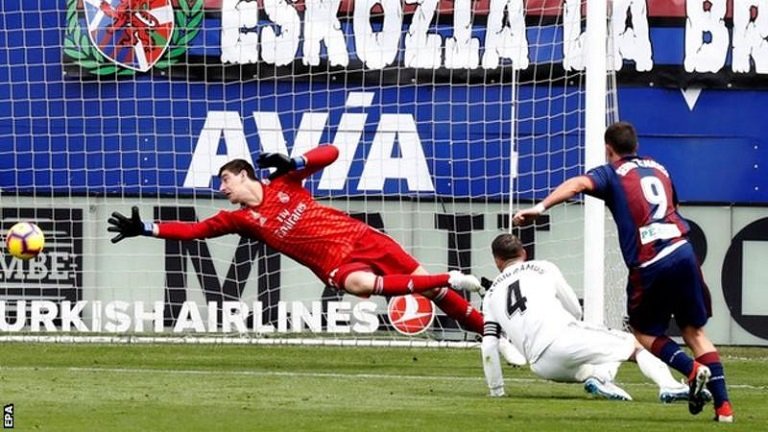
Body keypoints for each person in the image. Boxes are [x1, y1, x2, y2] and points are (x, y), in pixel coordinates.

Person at [107, 144, 486, 334]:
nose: (222, 188)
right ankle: (449, 277)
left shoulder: (283, 183)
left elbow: (333, 152)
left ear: (244, 176)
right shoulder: (240, 220)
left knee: (436, 296)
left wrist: (297, 162)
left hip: (362, 237)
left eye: (225, 180)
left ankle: (491, 330)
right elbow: (193, 231)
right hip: (336, 265)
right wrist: (146, 229)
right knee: (358, 284)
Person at [512, 121, 732, 422]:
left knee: (642, 333)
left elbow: (577, 184)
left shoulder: (611, 173)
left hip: (650, 260)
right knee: (694, 332)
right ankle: (725, 411)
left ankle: (692, 371)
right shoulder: (659, 168)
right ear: (636, 146)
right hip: (683, 249)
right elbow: (674, 205)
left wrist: (540, 207)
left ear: (608, 150)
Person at [467, 233, 694, 403]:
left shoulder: (491, 295)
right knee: (635, 344)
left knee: (601, 356)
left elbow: (489, 346)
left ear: (497, 261)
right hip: (562, 338)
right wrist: (572, 325)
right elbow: (575, 309)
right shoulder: (542, 267)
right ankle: (669, 386)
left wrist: (497, 392)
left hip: (541, 365)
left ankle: (599, 379)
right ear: (524, 253)